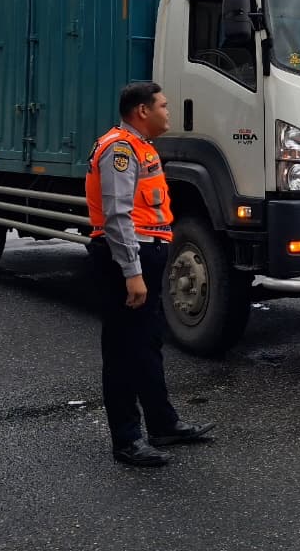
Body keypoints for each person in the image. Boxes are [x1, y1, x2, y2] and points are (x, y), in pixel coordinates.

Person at [86, 81, 215, 466]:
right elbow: (116, 216)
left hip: (147, 252)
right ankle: (127, 439)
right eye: (163, 105)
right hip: (127, 255)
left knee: (147, 345)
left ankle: (163, 424)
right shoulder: (120, 150)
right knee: (124, 351)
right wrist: (132, 271)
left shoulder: (142, 147)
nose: (168, 111)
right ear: (142, 111)